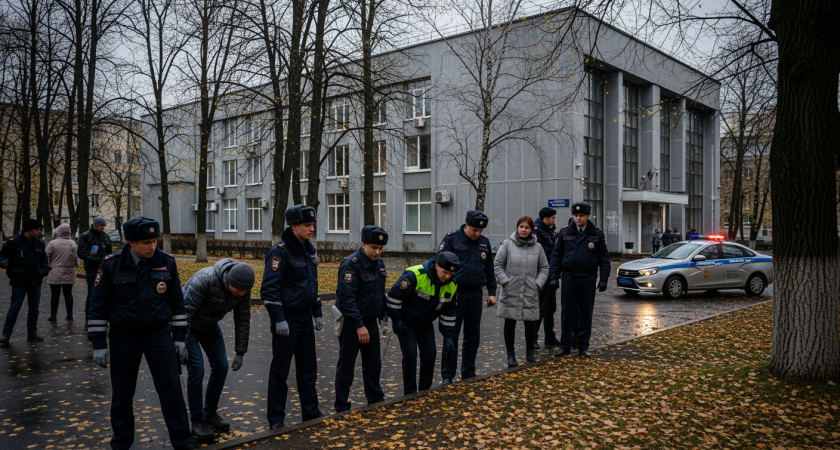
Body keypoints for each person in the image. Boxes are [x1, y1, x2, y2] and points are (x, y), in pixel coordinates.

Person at [87, 217, 196, 450]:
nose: (152, 246)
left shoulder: (166, 262)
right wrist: (98, 343)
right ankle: (121, 443)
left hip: (159, 336)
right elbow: (97, 306)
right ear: (131, 242)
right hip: (123, 338)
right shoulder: (111, 264)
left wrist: (179, 339)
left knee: (172, 392)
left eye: (155, 241)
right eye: (147, 242)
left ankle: (183, 441)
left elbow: (178, 303)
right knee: (122, 395)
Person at [262, 205, 324, 430]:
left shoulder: (308, 249)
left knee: (308, 369)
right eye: (307, 225)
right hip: (286, 318)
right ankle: (276, 418)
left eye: (312, 225)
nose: (311, 229)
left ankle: (311, 413)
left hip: (305, 316)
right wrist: (278, 318)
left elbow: (312, 284)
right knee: (280, 370)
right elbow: (269, 289)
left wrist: (317, 312)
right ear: (294, 226)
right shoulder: (280, 252)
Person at [182, 258, 254, 440]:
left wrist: (240, 351)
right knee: (197, 370)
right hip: (187, 327)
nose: (241, 294)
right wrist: (180, 343)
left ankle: (210, 413)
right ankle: (197, 420)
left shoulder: (242, 289)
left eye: (244, 291)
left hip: (210, 326)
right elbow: (185, 312)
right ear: (228, 279)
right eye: (238, 290)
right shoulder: (205, 279)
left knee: (221, 366)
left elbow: (243, 318)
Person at [333, 226, 389, 412]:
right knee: (346, 366)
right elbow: (346, 298)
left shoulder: (379, 264)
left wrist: (384, 317)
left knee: (374, 363)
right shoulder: (351, 264)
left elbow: (380, 294)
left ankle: (374, 398)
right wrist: (358, 325)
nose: (377, 252)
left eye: (380, 248)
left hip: (370, 322)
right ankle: (342, 405)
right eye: (374, 247)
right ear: (363, 244)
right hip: (351, 324)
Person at [386, 252, 458, 395]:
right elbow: (394, 297)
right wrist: (396, 319)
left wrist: (449, 336)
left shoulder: (452, 285)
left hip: (425, 323)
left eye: (451, 273)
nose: (447, 276)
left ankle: (424, 391)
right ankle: (410, 393)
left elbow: (449, 312)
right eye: (445, 272)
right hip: (406, 322)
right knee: (410, 354)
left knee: (430, 353)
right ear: (437, 266)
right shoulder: (415, 275)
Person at [438, 210, 496, 384]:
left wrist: (492, 292)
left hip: (475, 294)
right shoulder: (451, 239)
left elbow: (489, 269)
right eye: (474, 231)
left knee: (472, 335)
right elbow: (438, 264)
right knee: (452, 335)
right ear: (467, 225)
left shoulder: (484, 243)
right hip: (454, 293)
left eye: (480, 231)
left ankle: (468, 371)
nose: (477, 234)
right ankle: (448, 375)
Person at [549, 202, 611, 358]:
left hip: (588, 278)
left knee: (585, 313)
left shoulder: (596, 234)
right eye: (575, 215)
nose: (578, 218)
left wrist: (604, 279)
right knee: (567, 313)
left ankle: (583, 346)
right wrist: (554, 277)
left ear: (587, 216)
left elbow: (604, 258)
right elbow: (556, 257)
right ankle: (565, 346)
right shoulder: (564, 233)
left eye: (581, 215)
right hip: (569, 277)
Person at [494, 216, 549, 367]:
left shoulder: (538, 247)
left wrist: (537, 284)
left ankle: (530, 353)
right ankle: (510, 355)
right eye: (521, 227)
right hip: (511, 290)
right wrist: (505, 281)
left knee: (530, 323)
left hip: (530, 291)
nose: (523, 230)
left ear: (531, 229)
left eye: (527, 227)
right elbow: (498, 264)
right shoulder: (507, 245)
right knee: (510, 321)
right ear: (517, 227)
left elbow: (544, 268)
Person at [0, 218, 49, 344]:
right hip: (19, 282)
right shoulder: (14, 242)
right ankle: (6, 334)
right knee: (15, 307)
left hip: (35, 281)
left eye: (40, 230)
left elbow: (44, 259)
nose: (39, 232)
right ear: (28, 230)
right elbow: (2, 255)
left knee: (34, 308)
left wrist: (43, 270)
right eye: (37, 230)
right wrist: (5, 264)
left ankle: (32, 333)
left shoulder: (39, 243)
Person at [533, 207, 560, 348]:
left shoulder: (549, 230)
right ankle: (533, 338)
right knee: (540, 308)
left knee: (551, 308)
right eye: (553, 218)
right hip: (541, 276)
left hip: (551, 276)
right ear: (545, 219)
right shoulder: (537, 231)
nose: (554, 220)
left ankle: (549, 336)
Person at [78, 216, 113, 326]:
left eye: (104, 225)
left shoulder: (105, 237)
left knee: (106, 293)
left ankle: (104, 317)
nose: (103, 227)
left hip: (104, 269)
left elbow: (110, 252)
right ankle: (88, 319)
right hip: (92, 269)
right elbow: (81, 252)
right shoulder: (85, 236)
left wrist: (106, 259)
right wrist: (94, 259)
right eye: (101, 225)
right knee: (92, 294)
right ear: (95, 225)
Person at [46, 223, 78, 322]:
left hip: (55, 271)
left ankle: (53, 315)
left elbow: (46, 256)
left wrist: (47, 267)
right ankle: (70, 314)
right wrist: (76, 265)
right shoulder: (72, 243)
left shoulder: (53, 243)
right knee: (68, 293)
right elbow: (75, 258)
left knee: (55, 294)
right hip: (69, 271)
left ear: (58, 232)